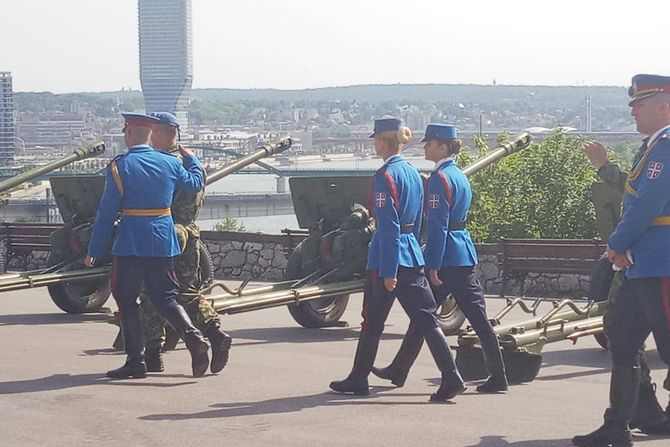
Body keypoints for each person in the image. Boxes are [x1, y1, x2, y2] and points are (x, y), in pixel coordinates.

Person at [329, 118, 466, 401]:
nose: (374, 143)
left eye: (376, 139)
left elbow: (388, 226)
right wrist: (412, 248)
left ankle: (359, 378)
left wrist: (389, 270)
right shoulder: (413, 174)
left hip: (387, 259)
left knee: (372, 321)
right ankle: (450, 376)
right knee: (427, 319)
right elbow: (416, 221)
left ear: (382, 141)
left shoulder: (385, 176)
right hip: (411, 253)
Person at [371, 124, 509, 393]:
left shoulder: (439, 179)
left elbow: (438, 226)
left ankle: (437, 376)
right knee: (444, 317)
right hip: (463, 252)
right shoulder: (458, 175)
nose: (425, 147)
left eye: (430, 143)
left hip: (445, 258)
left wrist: (432, 264)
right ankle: (497, 375)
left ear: (444, 147)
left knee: (425, 317)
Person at [573, 74, 670, 447]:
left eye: (640, 104)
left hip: (661, 263)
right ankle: (618, 425)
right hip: (645, 263)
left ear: (664, 106)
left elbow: (647, 205)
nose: (633, 111)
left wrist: (616, 243)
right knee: (623, 337)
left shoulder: (665, 147)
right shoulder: (653, 147)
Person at [85, 112, 210, 379]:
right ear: (150, 134)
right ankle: (194, 339)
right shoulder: (169, 162)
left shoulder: (120, 166)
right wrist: (192, 158)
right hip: (163, 239)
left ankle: (136, 361)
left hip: (131, 241)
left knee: (125, 298)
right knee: (165, 297)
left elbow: (106, 214)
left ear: (129, 135)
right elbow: (196, 182)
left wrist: (94, 251)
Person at [137, 112, 232, 374]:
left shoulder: (163, 164)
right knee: (187, 292)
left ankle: (153, 354)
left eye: (152, 131)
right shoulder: (191, 164)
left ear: (163, 133)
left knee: (150, 293)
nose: (149, 136)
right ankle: (215, 333)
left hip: (166, 233)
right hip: (190, 235)